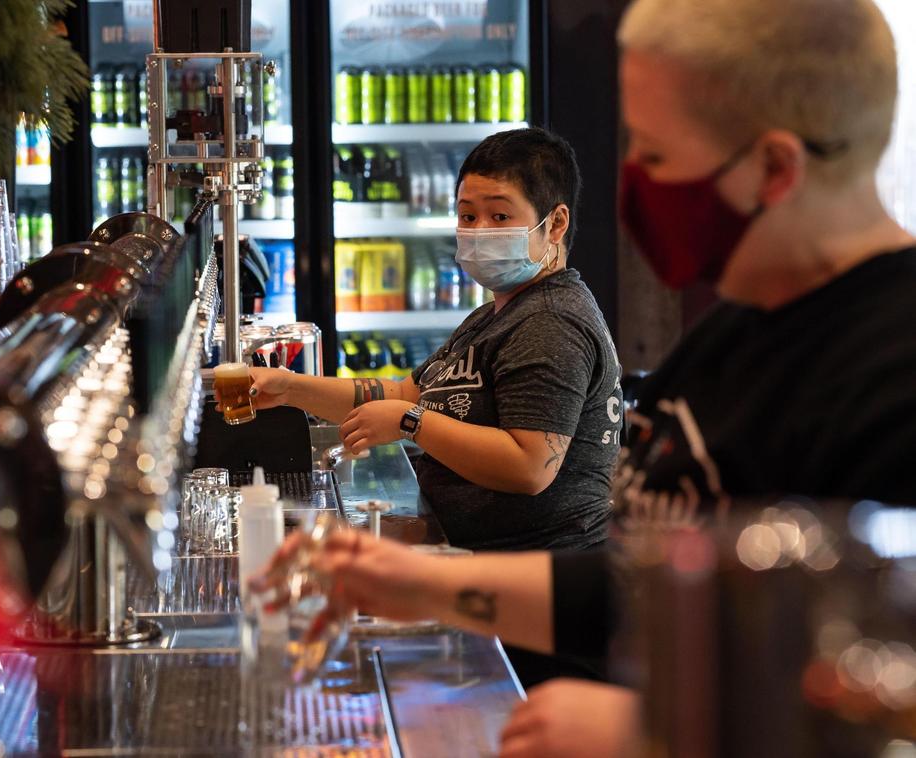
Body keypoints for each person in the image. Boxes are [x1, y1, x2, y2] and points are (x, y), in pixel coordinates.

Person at [254, 0, 916, 754]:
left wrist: (650, 735)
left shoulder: (888, 377)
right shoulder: (734, 334)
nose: (636, 190)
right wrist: (412, 583)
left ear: (774, 167)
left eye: (659, 159)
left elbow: (872, 700)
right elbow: (649, 582)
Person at [250, 127, 623, 555]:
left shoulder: (550, 322)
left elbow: (530, 466)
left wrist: (410, 422)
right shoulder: (495, 314)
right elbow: (405, 392)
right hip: (473, 551)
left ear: (555, 223)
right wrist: (290, 388)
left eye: (499, 217)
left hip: (530, 577)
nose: (479, 230)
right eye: (467, 216)